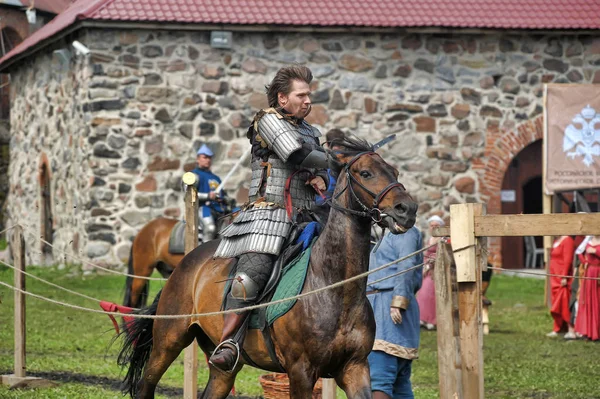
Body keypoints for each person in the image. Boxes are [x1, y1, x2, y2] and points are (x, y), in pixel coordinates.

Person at [208, 66, 336, 372]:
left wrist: (322, 176)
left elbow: (318, 167)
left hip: (308, 217)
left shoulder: (311, 132)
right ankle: (230, 342)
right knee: (253, 272)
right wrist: (339, 157)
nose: (308, 100)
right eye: (300, 95)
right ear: (281, 97)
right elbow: (295, 155)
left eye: (309, 95)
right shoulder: (267, 120)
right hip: (269, 215)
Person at [367, 227, 423, 399]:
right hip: (381, 307)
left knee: (380, 379)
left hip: (388, 312)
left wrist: (398, 301)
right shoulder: (390, 233)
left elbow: (406, 265)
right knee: (399, 385)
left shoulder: (405, 232)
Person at [190, 144, 225, 242]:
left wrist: (223, 198)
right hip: (203, 208)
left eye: (209, 158)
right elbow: (189, 196)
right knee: (210, 228)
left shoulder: (216, 178)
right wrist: (208, 196)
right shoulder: (193, 175)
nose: (208, 160)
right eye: (205, 157)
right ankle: (204, 255)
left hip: (219, 210)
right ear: (198, 159)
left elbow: (223, 195)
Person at [416, 215, 444, 330]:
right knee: (422, 294)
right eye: (432, 226)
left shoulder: (442, 239)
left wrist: (430, 265)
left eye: (436, 226)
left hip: (436, 270)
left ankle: (432, 321)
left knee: (431, 294)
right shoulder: (430, 239)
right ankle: (422, 319)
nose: (433, 228)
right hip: (427, 269)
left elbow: (442, 254)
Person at [546, 235, 575, 338]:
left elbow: (568, 259)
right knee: (556, 302)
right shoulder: (556, 240)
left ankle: (570, 329)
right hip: (554, 276)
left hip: (562, 278)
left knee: (564, 303)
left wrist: (564, 276)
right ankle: (558, 328)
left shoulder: (568, 240)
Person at [574, 234, 600, 341]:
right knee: (589, 301)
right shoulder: (589, 238)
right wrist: (584, 261)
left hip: (598, 272)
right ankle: (589, 332)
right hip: (589, 272)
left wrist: (595, 252)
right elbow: (579, 251)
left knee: (597, 301)